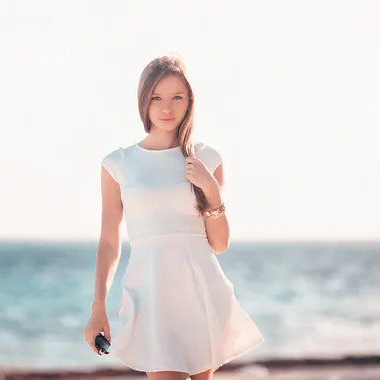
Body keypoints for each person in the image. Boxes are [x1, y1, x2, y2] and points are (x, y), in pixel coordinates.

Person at [84, 55, 264, 380]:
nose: (166, 108)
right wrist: (99, 304)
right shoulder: (119, 164)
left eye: (176, 97)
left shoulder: (207, 158)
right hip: (151, 294)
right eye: (156, 98)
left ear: (189, 101)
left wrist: (212, 190)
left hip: (201, 292)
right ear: (144, 101)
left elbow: (219, 244)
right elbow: (109, 240)